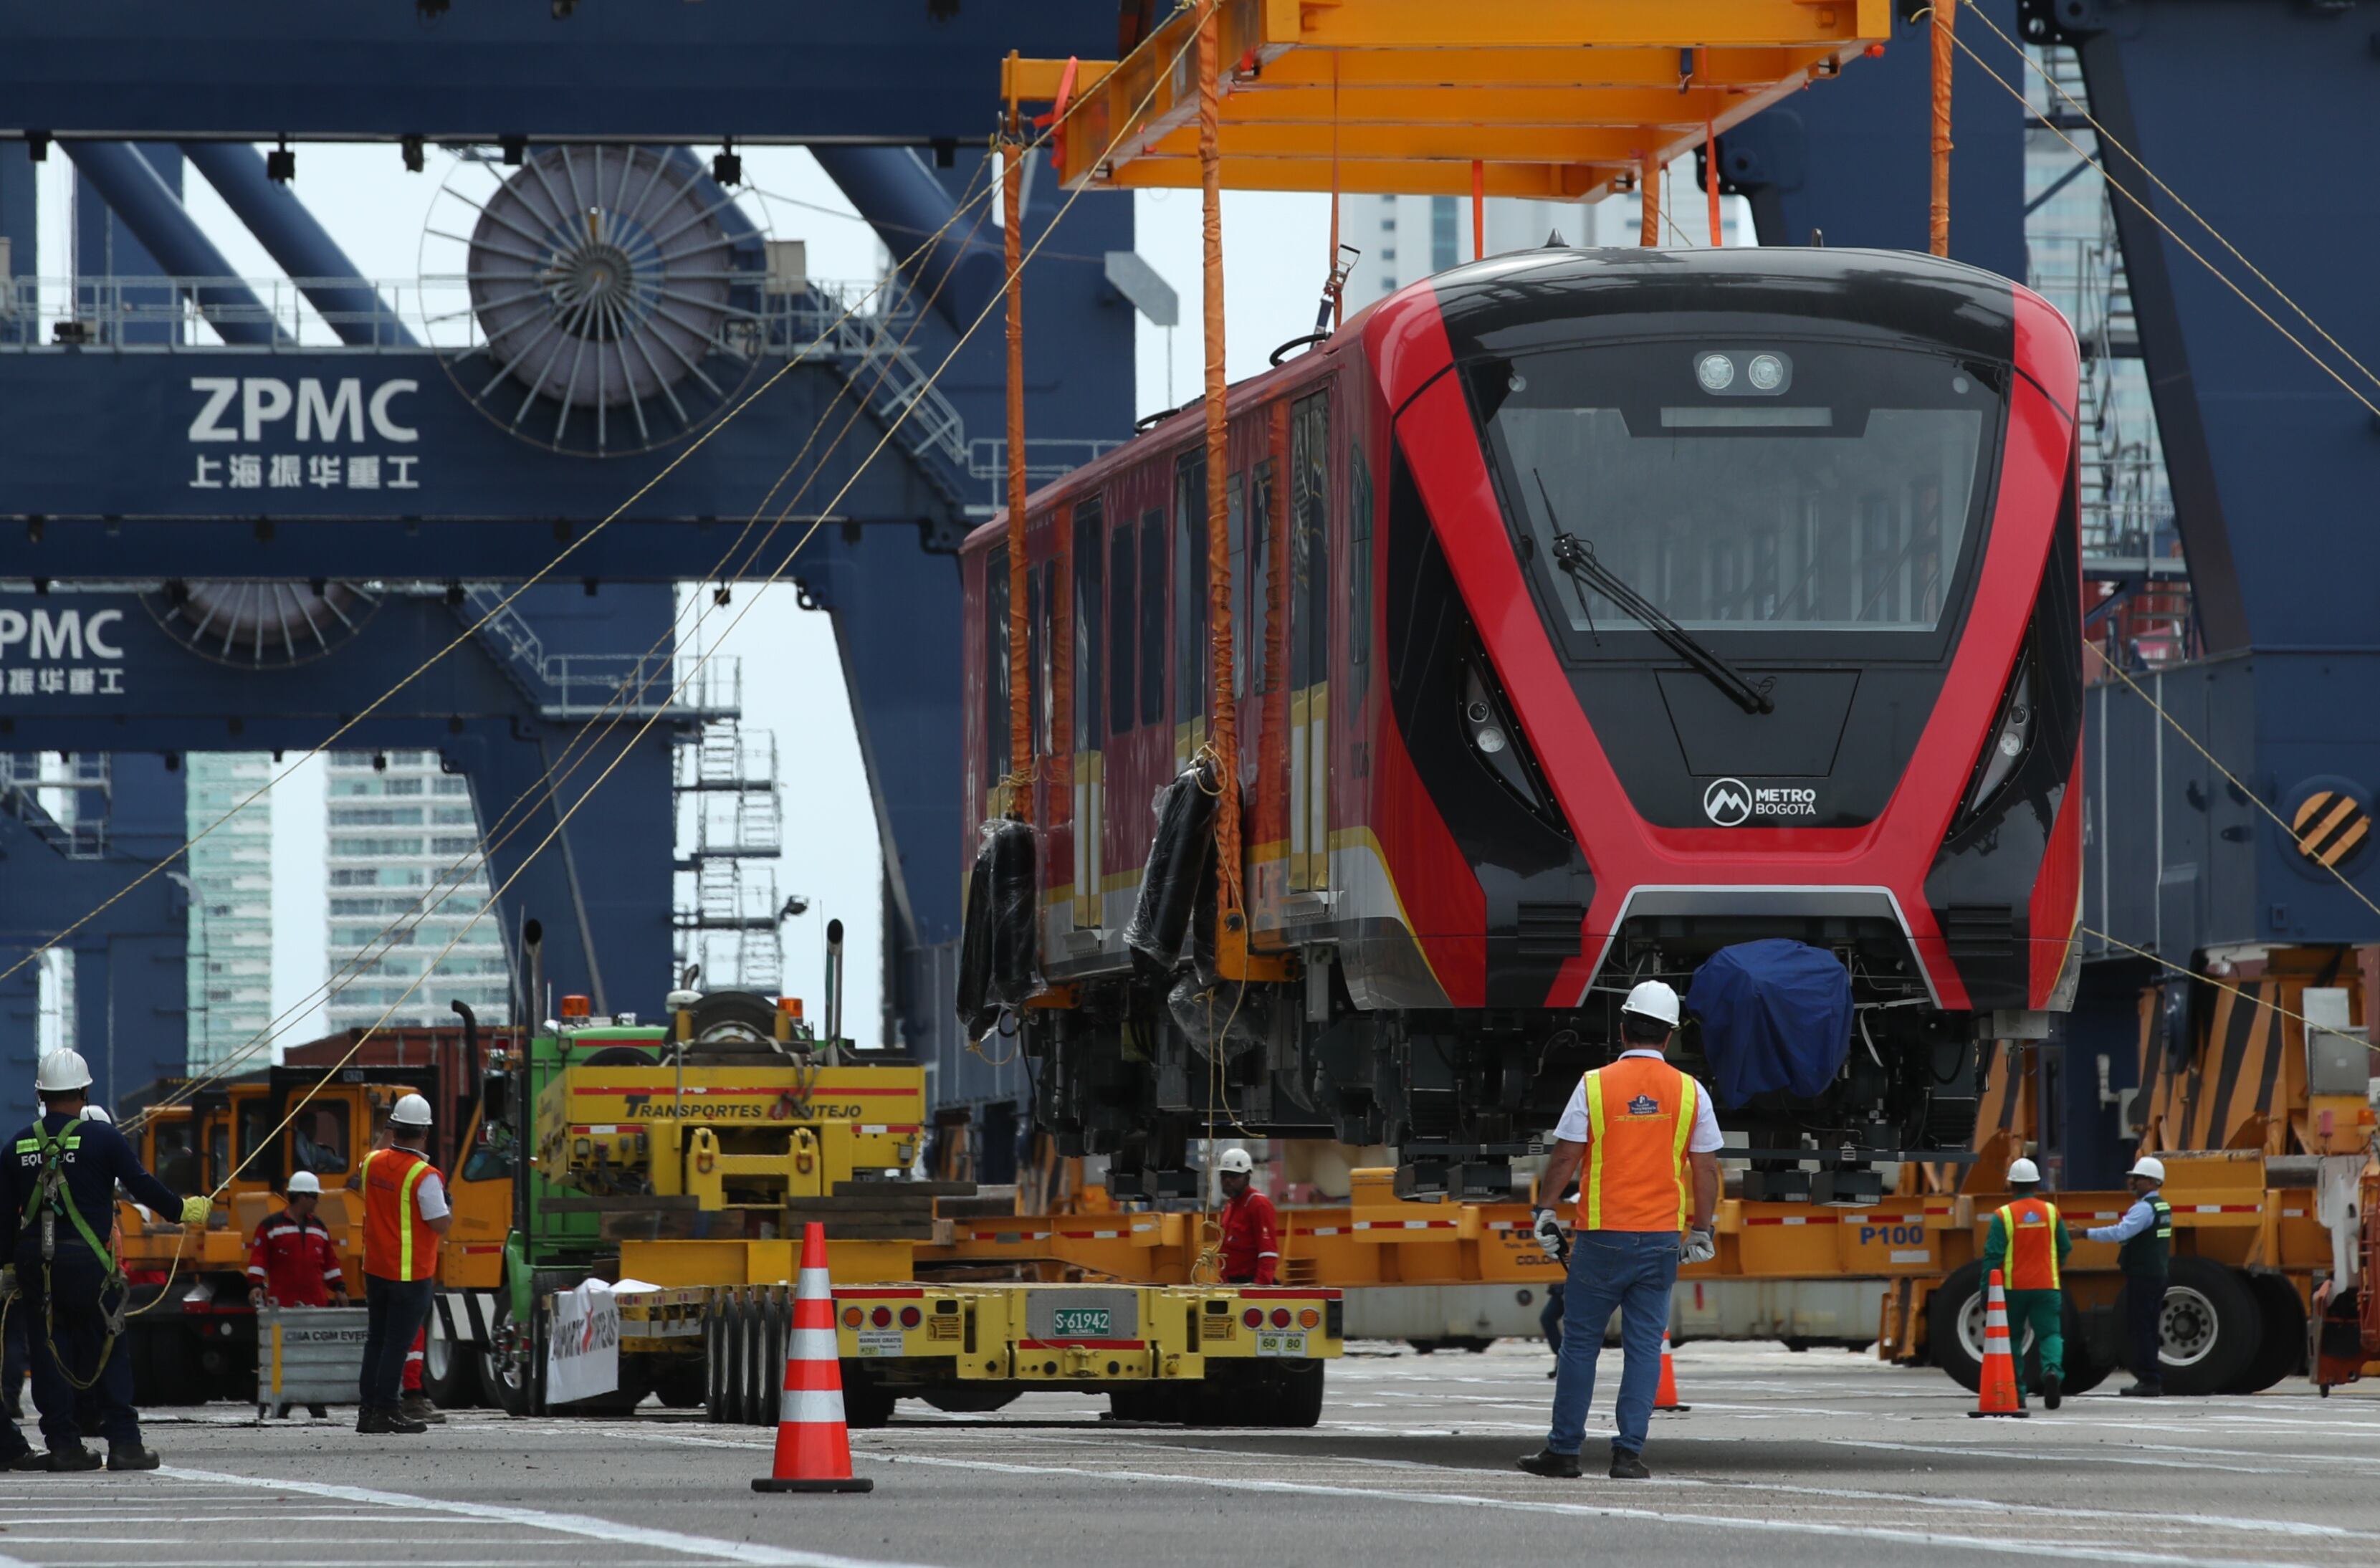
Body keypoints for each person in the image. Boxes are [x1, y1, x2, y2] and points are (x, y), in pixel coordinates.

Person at [1519, 981, 1721, 1481]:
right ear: (1670, 1035)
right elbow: (1705, 1169)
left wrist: (1544, 1211)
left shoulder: (1593, 1084)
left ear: (1622, 1028)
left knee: (1580, 1345)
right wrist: (1701, 1229)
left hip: (1600, 1237)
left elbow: (1566, 1154)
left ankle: (1564, 1452)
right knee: (1643, 1347)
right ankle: (1627, 1454)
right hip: (1658, 1241)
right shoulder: (1690, 1091)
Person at [2, 1048, 209, 1471]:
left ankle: (63, 1445)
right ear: (84, 1091)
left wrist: (8, 1266)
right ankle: (124, 1444)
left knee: (47, 1353)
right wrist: (182, 1210)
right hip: (89, 1268)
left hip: (36, 1271)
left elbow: (4, 1217)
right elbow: (144, 1186)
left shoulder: (17, 1145)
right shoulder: (103, 1138)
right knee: (110, 1346)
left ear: (41, 1094)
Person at [355, 1094, 449, 1435]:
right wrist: (448, 1208)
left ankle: (368, 1411)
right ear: (425, 1133)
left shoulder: (372, 1164)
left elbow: (370, 1157)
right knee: (397, 1344)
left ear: (394, 1128)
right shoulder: (424, 1175)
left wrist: (387, 1129)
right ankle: (387, 1410)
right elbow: (439, 1223)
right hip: (410, 1274)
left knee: (376, 1341)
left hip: (376, 1270)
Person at [247, 1170, 348, 1420]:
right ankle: (283, 1401)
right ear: (301, 1197)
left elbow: (329, 1262)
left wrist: (340, 1288)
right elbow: (259, 1260)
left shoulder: (319, 1228)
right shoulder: (270, 1227)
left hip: (315, 1304)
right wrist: (256, 1284)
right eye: (314, 1196)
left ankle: (316, 1400)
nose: (317, 1201)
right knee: (284, 1357)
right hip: (284, 1306)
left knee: (315, 1355)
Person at [1984, 1156, 2073, 1410]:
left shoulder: (2003, 1216)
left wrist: (1985, 1290)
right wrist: (2054, 1268)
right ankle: (2052, 1372)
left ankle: (2017, 1394)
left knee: (2011, 1339)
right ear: (2037, 1184)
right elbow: (2065, 1247)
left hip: (2013, 1290)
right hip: (2047, 1286)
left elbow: (1993, 1256)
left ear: (2011, 1184)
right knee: (2050, 1335)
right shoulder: (2050, 1212)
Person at [2086, 1155, 2171, 1397]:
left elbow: (2121, 1231)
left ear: (2152, 1182)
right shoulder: (2162, 1206)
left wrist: (2085, 1233)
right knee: (2149, 1327)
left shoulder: (2144, 1208)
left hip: (2143, 1276)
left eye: (2137, 1179)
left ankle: (2148, 1380)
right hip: (2157, 1274)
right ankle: (2151, 1377)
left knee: (2141, 1328)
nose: (2132, 1182)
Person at [1215, 1147, 1279, 1286]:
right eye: (1224, 1176)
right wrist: (1224, 1282)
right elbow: (1225, 1250)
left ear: (1247, 1177)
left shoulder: (1258, 1204)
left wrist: (1259, 1288)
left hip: (1251, 1282)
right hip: (1231, 1284)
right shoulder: (1230, 1206)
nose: (1228, 1181)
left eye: (1234, 1176)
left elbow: (1268, 1252)